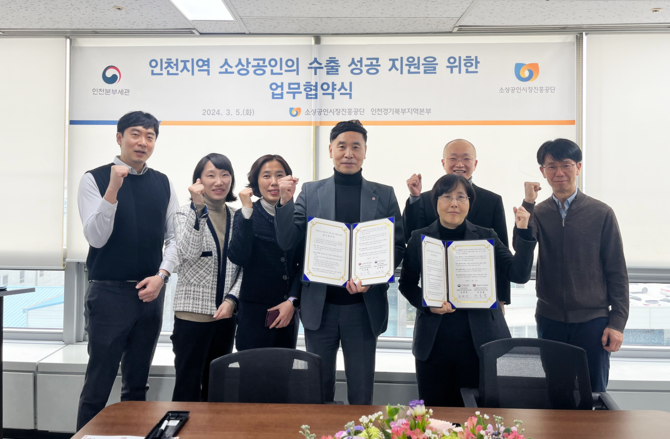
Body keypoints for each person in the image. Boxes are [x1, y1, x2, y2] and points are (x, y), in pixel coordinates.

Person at [275, 120, 405, 405]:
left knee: (361, 393)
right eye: (342, 146)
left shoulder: (384, 194)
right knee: (318, 392)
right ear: (330, 149)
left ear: (365, 151)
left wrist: (373, 278)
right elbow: (288, 242)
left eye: (356, 147)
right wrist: (284, 202)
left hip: (363, 308)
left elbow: (397, 246)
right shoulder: (310, 192)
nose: (349, 153)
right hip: (319, 308)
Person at [76, 111, 178, 430]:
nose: (142, 142)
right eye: (135, 134)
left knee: (137, 385)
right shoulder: (93, 178)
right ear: (119, 138)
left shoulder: (162, 182)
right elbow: (96, 237)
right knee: (98, 384)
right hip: (109, 294)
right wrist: (113, 188)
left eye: (150, 136)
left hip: (150, 294)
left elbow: (175, 238)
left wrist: (162, 277)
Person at [399, 174, 536, 407]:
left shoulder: (487, 236)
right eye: (447, 197)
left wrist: (523, 231)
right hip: (434, 343)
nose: (454, 203)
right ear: (436, 202)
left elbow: (519, 274)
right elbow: (407, 284)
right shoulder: (418, 238)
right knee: (435, 414)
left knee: (476, 416)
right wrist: (427, 305)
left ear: (469, 203)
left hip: (480, 342)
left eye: (461, 197)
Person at [518, 138, 628, 392]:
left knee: (594, 393)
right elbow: (521, 248)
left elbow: (617, 272)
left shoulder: (601, 212)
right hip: (550, 320)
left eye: (566, 165)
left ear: (578, 167)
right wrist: (528, 203)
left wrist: (617, 323)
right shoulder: (538, 212)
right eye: (551, 166)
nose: (559, 173)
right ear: (543, 171)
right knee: (557, 393)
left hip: (593, 321)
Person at [403, 139, 511, 306]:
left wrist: (502, 299)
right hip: (437, 299)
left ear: (475, 163)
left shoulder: (493, 200)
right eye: (453, 158)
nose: (459, 164)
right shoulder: (425, 198)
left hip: (479, 298)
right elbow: (410, 237)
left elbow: (502, 254)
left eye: (466, 159)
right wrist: (414, 198)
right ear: (443, 163)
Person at [171, 153, 242, 402]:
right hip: (192, 318)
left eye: (224, 175)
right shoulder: (184, 214)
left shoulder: (238, 217)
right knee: (187, 389)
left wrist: (232, 300)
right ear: (199, 181)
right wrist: (198, 208)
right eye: (211, 175)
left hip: (225, 317)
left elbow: (245, 266)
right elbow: (188, 252)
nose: (219, 181)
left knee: (217, 390)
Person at [228, 154, 302, 351]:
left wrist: (292, 301)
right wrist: (247, 211)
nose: (274, 182)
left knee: (283, 367)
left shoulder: (298, 215)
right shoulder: (245, 214)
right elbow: (238, 257)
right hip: (253, 312)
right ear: (256, 181)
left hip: (287, 310)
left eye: (280, 175)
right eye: (266, 176)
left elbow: (303, 264)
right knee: (252, 368)